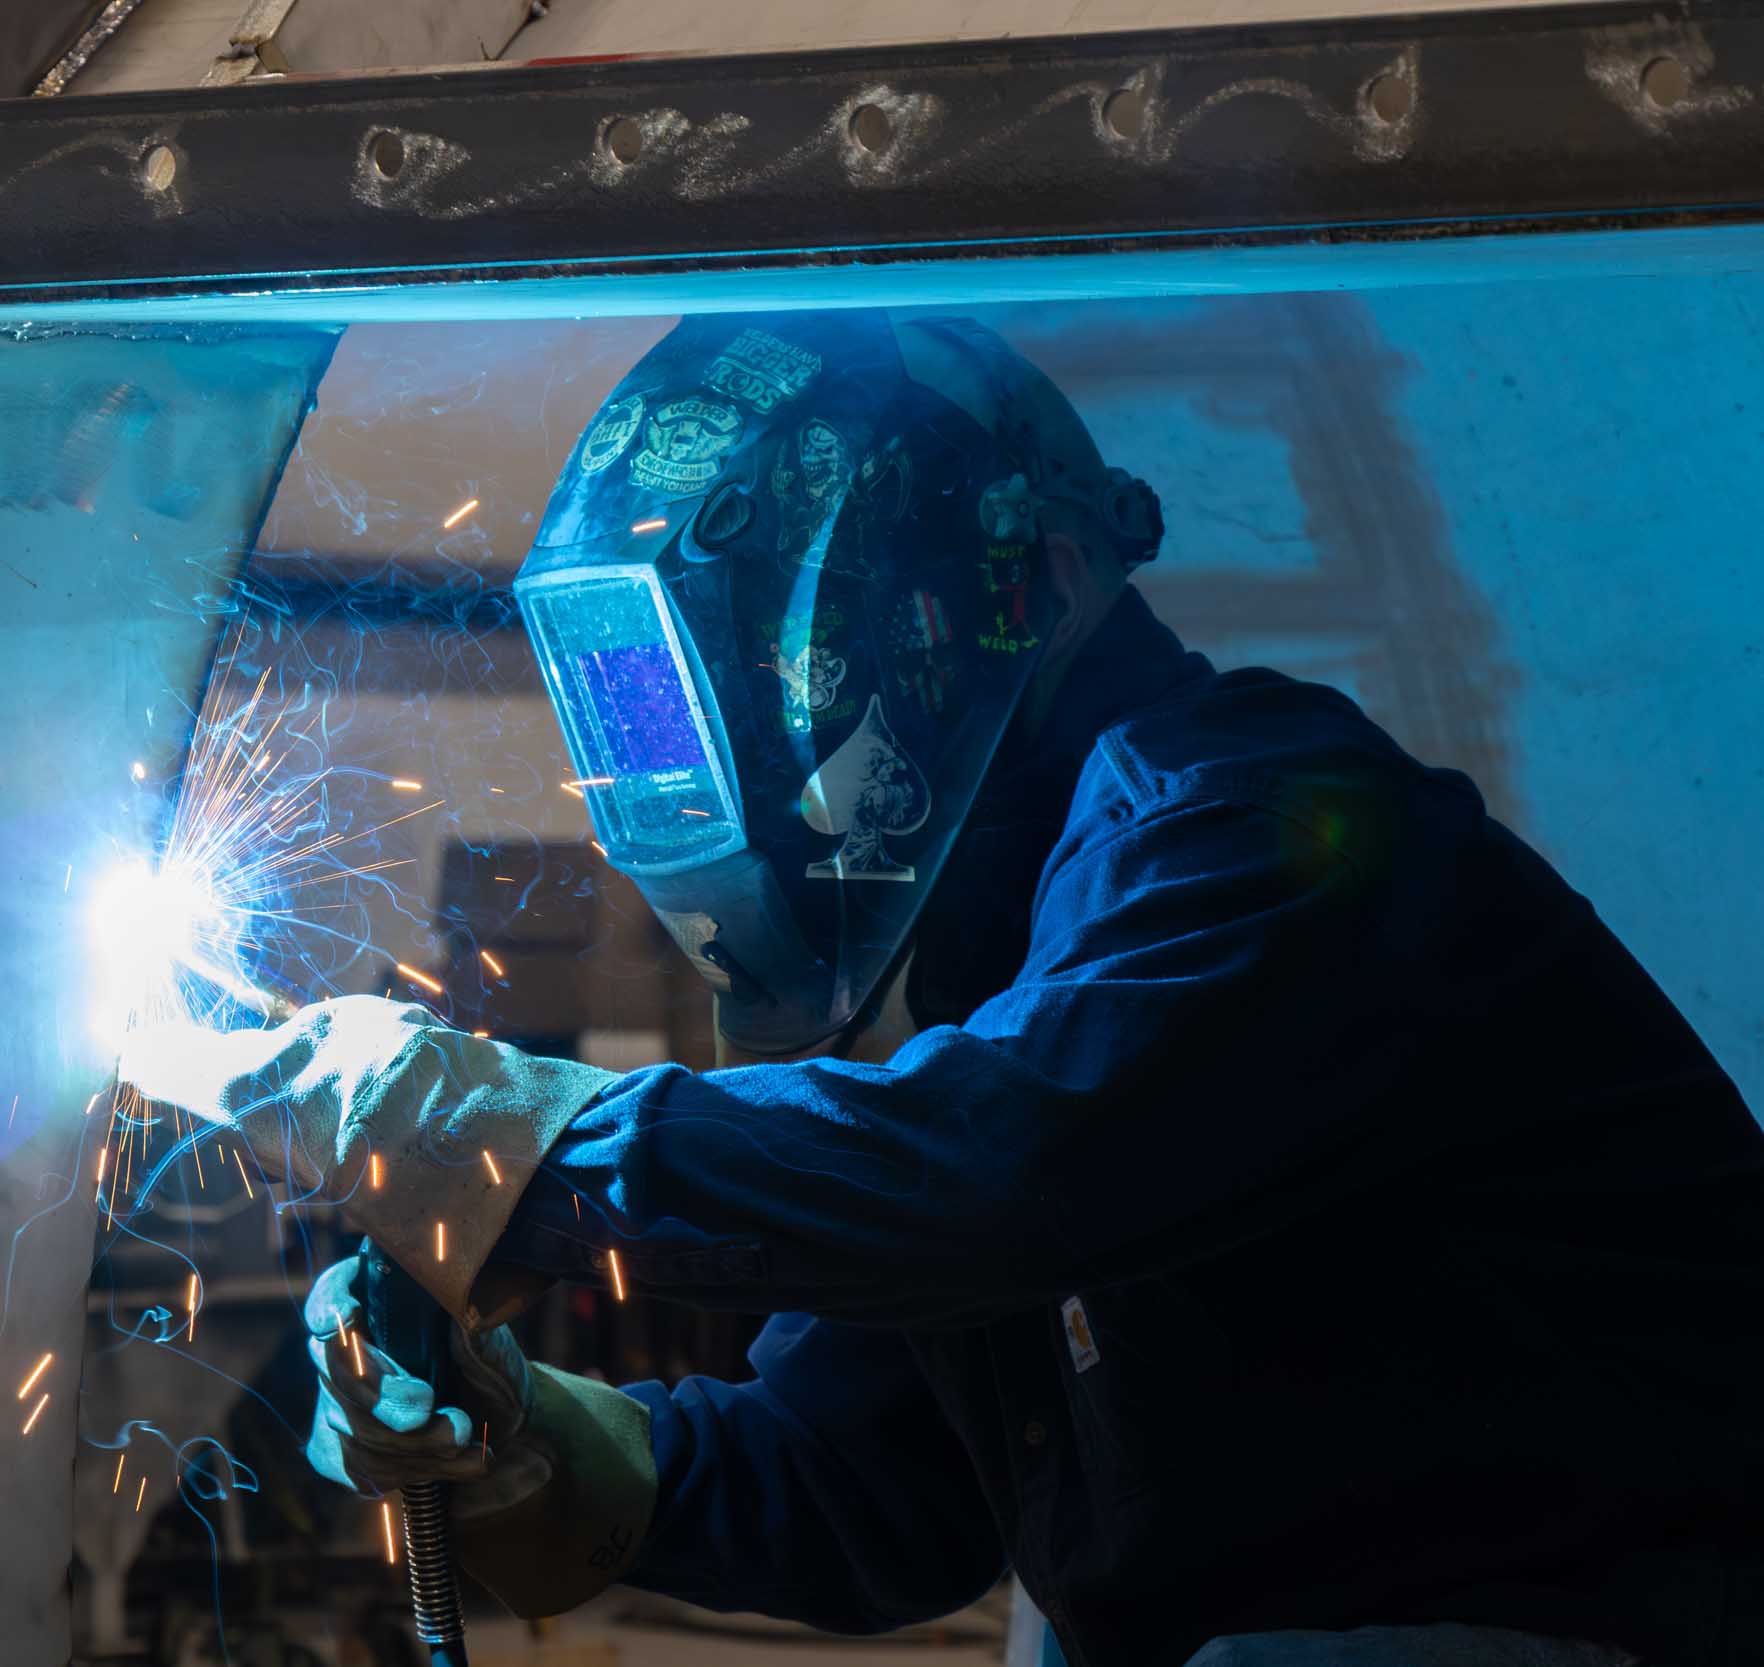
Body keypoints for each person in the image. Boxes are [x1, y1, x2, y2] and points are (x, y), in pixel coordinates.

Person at [122, 312, 1764, 1667]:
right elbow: (867, 1490)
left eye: (758, 686)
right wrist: (535, 1440)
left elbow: (1006, 1172)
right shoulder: (986, 993)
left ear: (1031, 583)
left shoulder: (1265, 833)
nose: (712, 774)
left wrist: (504, 1148)